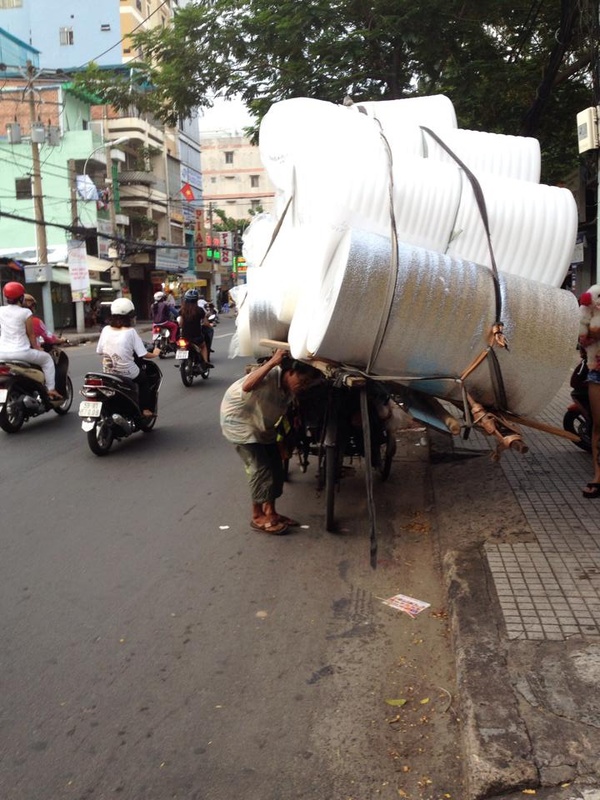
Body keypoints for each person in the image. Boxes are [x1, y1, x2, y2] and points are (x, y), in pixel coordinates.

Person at [220, 348, 321, 535]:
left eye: (307, 383)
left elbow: (280, 418)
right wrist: (273, 361)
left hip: (261, 425)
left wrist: (280, 443)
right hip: (239, 423)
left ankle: (270, 511)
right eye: (302, 380)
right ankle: (257, 516)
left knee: (276, 466)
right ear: (290, 372)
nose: (303, 386)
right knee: (261, 469)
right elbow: (247, 385)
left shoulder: (289, 391)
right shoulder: (271, 374)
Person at [96, 297, 160, 417]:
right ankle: (145, 409)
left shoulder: (105, 330)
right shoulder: (130, 332)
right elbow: (143, 354)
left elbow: (99, 350)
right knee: (144, 381)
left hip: (108, 372)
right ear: (129, 317)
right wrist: (156, 353)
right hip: (127, 372)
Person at [0, 281, 62, 399]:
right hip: (21, 353)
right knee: (47, 359)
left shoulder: (1, 310)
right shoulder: (26, 312)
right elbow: (31, 335)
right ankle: (51, 389)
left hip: (2, 354)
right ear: (21, 297)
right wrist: (38, 348)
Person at [178, 289, 213, 367]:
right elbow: (206, 323)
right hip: (197, 337)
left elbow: (180, 323)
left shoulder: (182, 310)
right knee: (203, 346)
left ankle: (182, 362)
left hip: (185, 337)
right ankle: (205, 362)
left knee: (182, 346)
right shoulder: (200, 310)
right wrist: (210, 325)